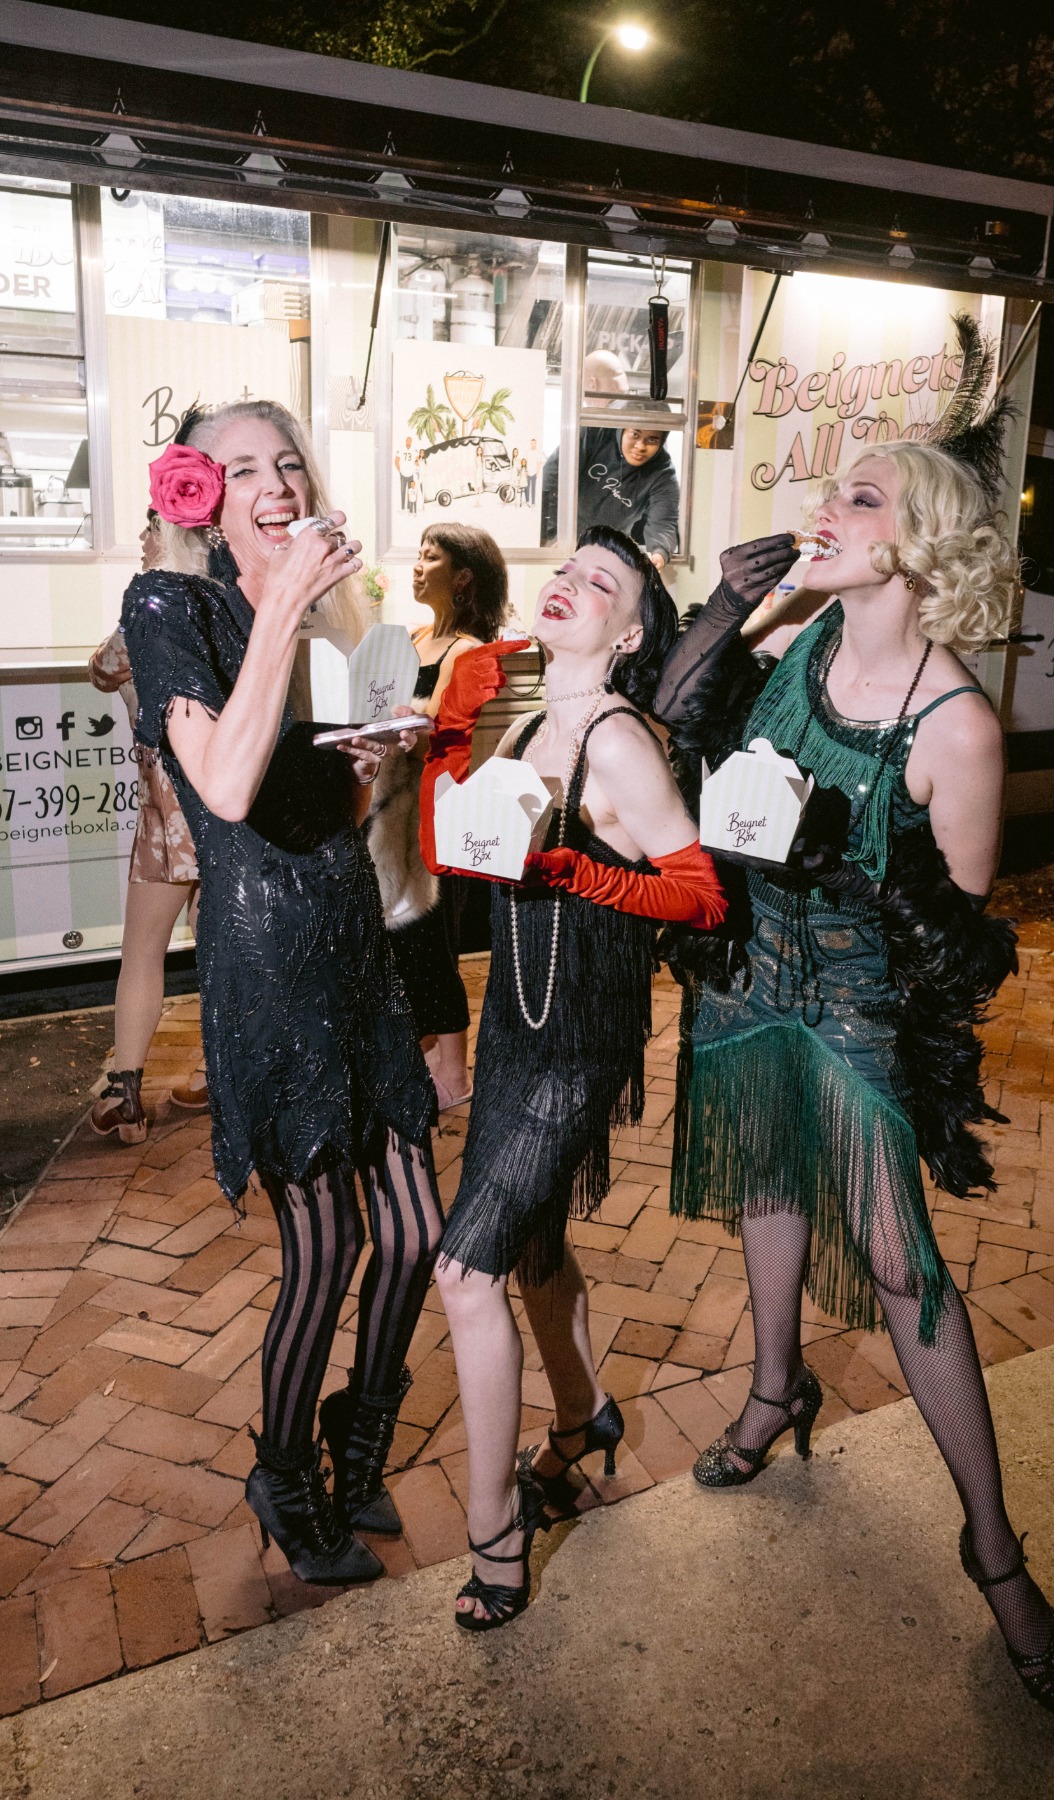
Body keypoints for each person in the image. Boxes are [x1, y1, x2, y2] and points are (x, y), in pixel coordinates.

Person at [656, 437, 1054, 1722]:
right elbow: (680, 707)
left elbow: (964, 944)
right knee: (764, 1181)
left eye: (860, 499)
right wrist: (738, 603)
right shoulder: (802, 644)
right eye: (828, 492)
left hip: (851, 1005)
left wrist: (842, 862)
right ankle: (773, 1389)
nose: (823, 511)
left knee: (904, 1266)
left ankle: (998, 1558)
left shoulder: (955, 722)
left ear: (921, 542)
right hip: (746, 976)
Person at [121, 399, 441, 1587]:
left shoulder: (335, 618)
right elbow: (228, 787)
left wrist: (376, 762)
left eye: (288, 459)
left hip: (354, 937)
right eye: (240, 464)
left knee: (412, 1232)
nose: (274, 480)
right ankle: (285, 1468)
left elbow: (335, 804)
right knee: (332, 1240)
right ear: (200, 493)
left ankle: (363, 1448)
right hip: (268, 959)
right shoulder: (172, 607)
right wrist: (283, 607)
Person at [423, 526, 726, 1631]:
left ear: (632, 629)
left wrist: (577, 871)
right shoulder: (525, 718)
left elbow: (698, 895)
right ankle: (584, 1416)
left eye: (601, 583)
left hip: (580, 1038)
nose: (570, 586)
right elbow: (477, 858)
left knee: (467, 1273)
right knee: (536, 1247)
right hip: (515, 1023)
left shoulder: (616, 741)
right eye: (564, 572)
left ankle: (495, 1528)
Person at [367, 523, 510, 1109]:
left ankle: (453, 1074)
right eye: (418, 555)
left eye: (431, 557)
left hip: (429, 815)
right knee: (398, 941)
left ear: (463, 576)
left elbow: (451, 734)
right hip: (385, 811)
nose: (417, 566)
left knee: (430, 947)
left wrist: (410, 720)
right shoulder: (415, 635)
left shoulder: (466, 650)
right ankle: (421, 1053)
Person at [88, 511, 205, 1143]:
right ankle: (224, 1074)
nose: (140, 538)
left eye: (151, 526)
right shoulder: (227, 605)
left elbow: (104, 669)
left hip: (168, 800)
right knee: (219, 943)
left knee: (143, 950)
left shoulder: (149, 609)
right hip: (230, 794)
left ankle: (127, 1095)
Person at [540, 427, 679, 568]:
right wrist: (550, 534)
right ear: (623, 429)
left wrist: (659, 554)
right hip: (563, 534)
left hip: (609, 546)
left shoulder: (663, 472)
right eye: (635, 434)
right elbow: (550, 480)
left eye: (652, 440)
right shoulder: (593, 434)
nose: (641, 446)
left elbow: (664, 521)